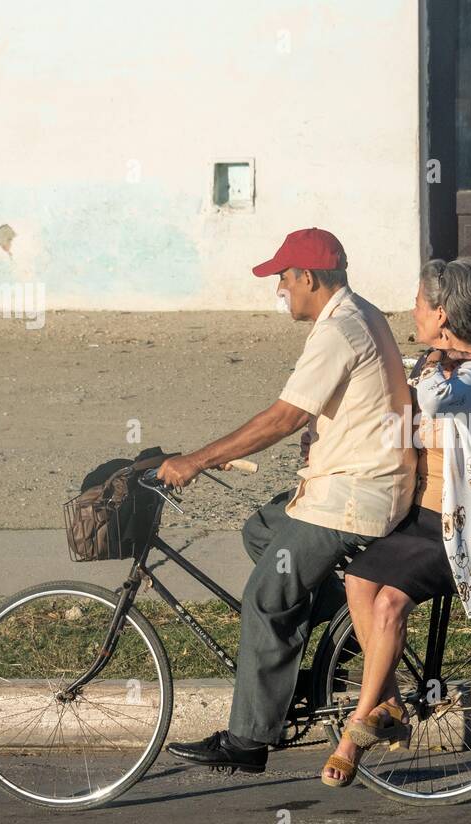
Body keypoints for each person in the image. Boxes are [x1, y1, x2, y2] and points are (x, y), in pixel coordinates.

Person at [157, 227, 416, 773]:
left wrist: (196, 460)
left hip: (353, 496)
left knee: (266, 599)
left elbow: (283, 416)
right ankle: (341, 620)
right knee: (258, 531)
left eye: (282, 278)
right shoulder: (359, 312)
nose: (279, 289)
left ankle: (248, 742)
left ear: (309, 277)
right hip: (353, 478)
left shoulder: (338, 331)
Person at [320, 258, 471, 788]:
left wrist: (431, 358)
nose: (412, 310)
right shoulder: (438, 364)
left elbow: (429, 397)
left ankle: (356, 732)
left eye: (420, 303)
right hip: (420, 519)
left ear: (442, 314)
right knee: (358, 579)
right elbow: (398, 418)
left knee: (388, 603)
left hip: (461, 532)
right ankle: (390, 701)